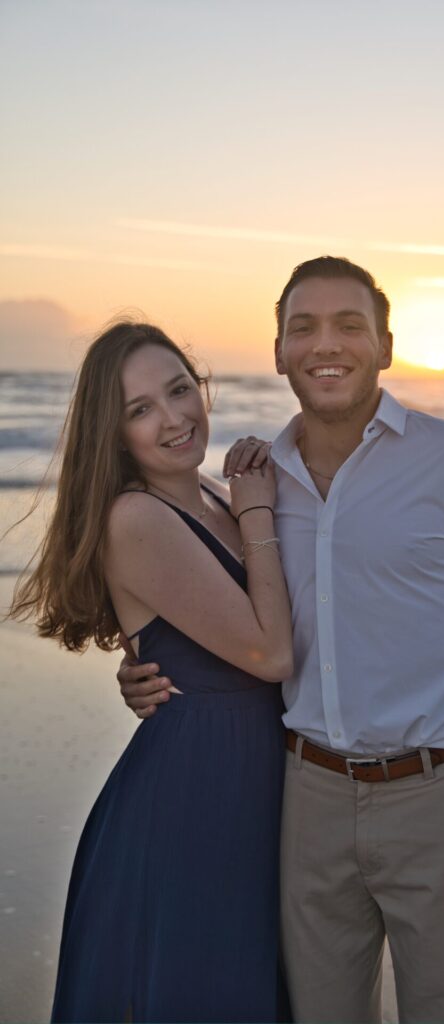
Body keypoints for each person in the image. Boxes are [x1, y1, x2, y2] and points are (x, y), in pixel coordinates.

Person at [120, 258, 444, 1024]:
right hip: (303, 803)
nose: (327, 344)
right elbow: (212, 613)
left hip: (439, 803)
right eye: (305, 328)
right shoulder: (256, 487)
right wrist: (142, 669)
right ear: (279, 353)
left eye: (349, 325)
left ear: (386, 346)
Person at [10, 321, 293, 1023]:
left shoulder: (203, 491)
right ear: (114, 432)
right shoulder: (135, 517)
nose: (173, 418)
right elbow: (271, 653)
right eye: (140, 410)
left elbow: (204, 640)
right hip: (192, 806)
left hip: (242, 788)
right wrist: (260, 510)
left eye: (178, 390)